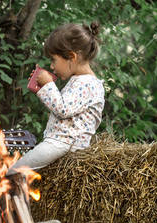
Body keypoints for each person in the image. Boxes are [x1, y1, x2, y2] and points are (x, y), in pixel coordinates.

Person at [7, 22, 105, 174]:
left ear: (71, 57)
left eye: (54, 60)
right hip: (62, 144)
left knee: (14, 172)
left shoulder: (88, 83)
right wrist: (43, 89)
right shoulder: (82, 80)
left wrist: (48, 84)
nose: (52, 66)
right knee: (22, 175)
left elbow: (63, 109)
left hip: (63, 144)